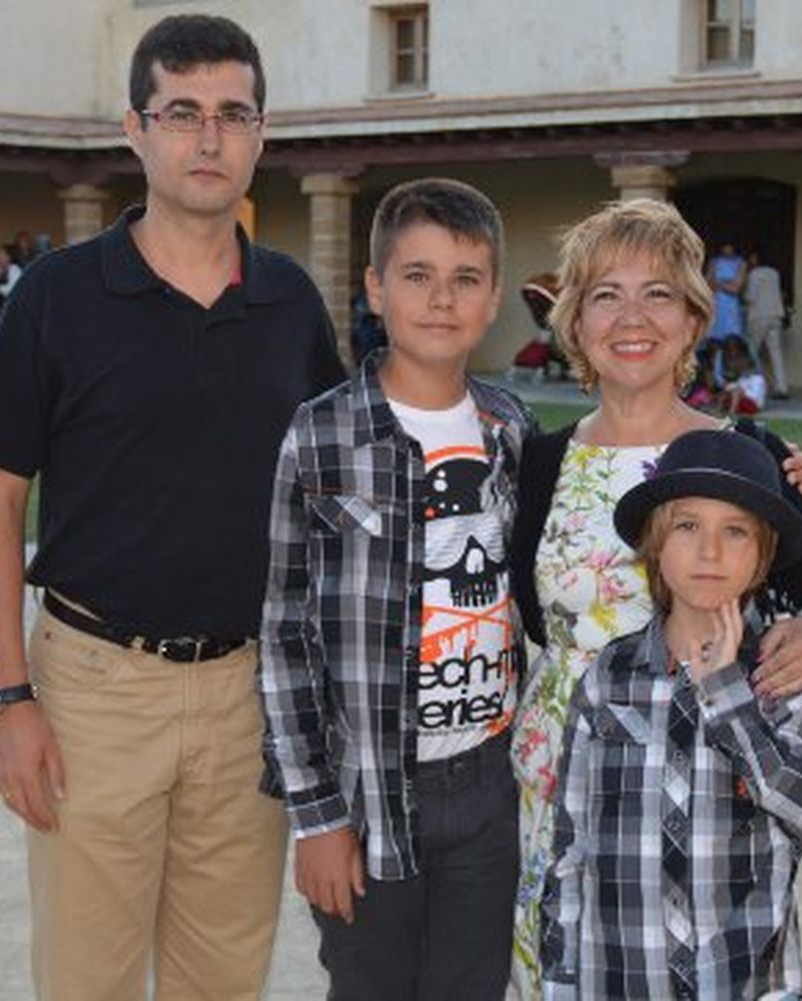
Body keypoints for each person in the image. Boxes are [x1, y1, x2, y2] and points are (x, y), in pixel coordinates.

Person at [0, 14, 345, 999]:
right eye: (182, 113)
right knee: (88, 979)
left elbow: (344, 488)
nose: (207, 139)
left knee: (223, 981)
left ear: (262, 134)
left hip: (247, 695)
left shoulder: (290, 303)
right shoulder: (57, 294)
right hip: (95, 690)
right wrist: (13, 699)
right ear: (136, 129)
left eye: (231, 114)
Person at [508, 199, 802, 998]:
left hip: (709, 791)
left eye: (658, 293)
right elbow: (528, 619)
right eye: (606, 294)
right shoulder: (537, 461)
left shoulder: (751, 454)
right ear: (573, 319)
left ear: (696, 317)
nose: (632, 316)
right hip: (560, 784)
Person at [261, 178, 532, 1001]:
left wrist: (768, 465)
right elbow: (284, 632)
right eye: (416, 275)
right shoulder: (320, 432)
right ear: (375, 288)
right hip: (369, 787)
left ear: (492, 299)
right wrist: (316, 816)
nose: (440, 299)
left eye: (465, 278)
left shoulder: (510, 429)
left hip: (488, 788)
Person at [541, 429, 802, 1000]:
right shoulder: (609, 678)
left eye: (735, 531)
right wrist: (561, 981)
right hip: (621, 980)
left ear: (764, 555)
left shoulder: (797, 679)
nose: (710, 552)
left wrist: (729, 697)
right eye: (688, 526)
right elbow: (569, 848)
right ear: (656, 545)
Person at [742, 248, 788, 399]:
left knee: (751, 351)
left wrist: (742, 295)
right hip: (776, 314)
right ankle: (782, 387)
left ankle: (753, 386)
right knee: (776, 353)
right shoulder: (774, 273)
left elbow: (751, 297)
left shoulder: (754, 274)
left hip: (758, 316)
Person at [704, 240, 746, 384]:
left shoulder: (741, 262)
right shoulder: (714, 261)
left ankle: (732, 380)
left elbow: (736, 288)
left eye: (729, 246)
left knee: (732, 344)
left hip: (731, 308)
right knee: (713, 345)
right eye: (724, 246)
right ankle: (716, 380)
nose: (727, 249)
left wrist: (719, 284)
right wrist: (726, 284)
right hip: (716, 306)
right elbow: (707, 284)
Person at [717, 336, 768, 416]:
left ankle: (731, 413)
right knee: (726, 391)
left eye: (742, 364)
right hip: (741, 402)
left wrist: (742, 392)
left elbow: (754, 396)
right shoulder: (741, 379)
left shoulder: (758, 379)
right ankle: (718, 411)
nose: (740, 365)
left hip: (753, 405)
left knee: (736, 391)